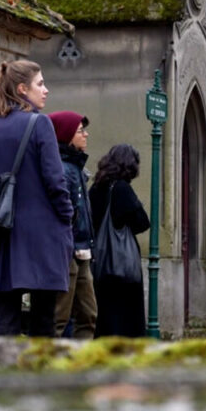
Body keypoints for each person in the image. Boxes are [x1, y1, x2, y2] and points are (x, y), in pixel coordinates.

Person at [0, 60, 73, 337]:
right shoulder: (40, 124)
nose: (46, 90)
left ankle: (4, 376)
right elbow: (55, 181)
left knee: (4, 324)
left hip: (0, 236)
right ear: (21, 88)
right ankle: (38, 379)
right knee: (43, 322)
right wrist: (67, 217)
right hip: (42, 235)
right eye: (40, 84)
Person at [89, 144, 150, 338]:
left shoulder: (96, 187)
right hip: (121, 268)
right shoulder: (122, 189)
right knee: (124, 320)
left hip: (99, 263)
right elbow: (142, 223)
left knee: (103, 317)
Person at [48, 111, 98, 339]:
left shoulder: (76, 167)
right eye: (80, 131)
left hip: (82, 250)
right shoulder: (63, 169)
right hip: (67, 251)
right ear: (67, 136)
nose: (86, 135)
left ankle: (81, 365)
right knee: (60, 317)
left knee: (88, 314)